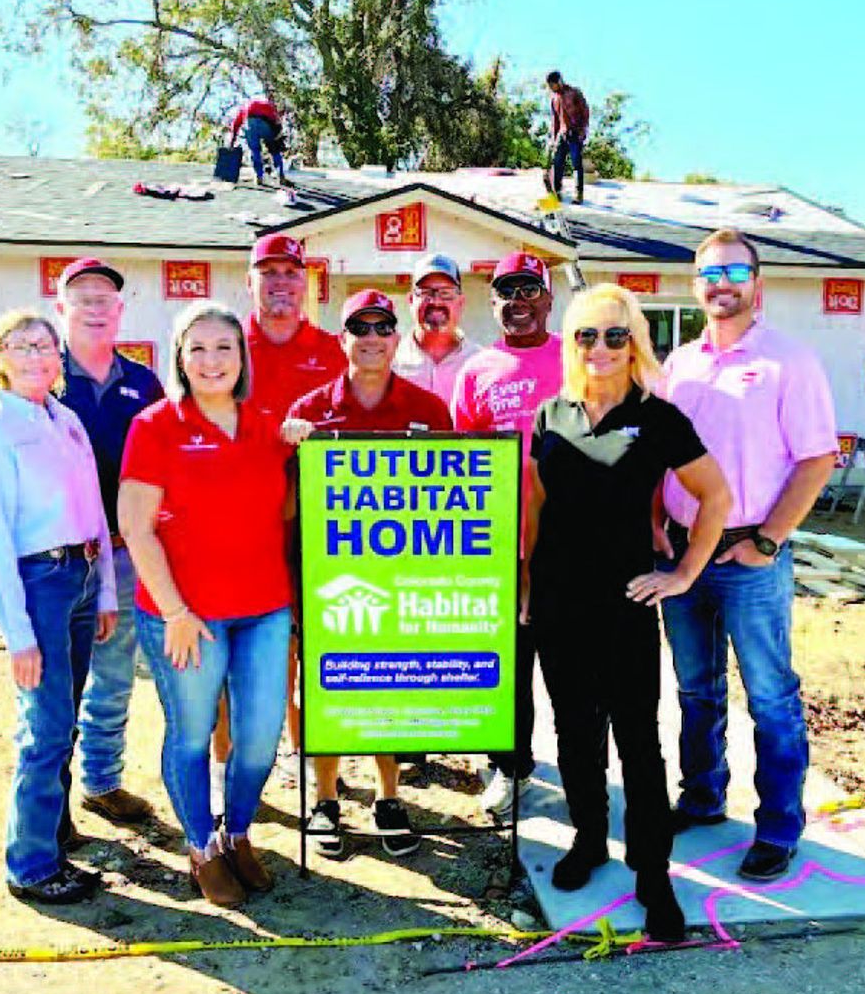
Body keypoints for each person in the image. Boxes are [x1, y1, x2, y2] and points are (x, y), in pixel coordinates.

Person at [525, 284, 731, 941]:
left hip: (627, 601)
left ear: (635, 342)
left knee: (638, 740)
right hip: (559, 599)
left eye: (616, 335)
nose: (602, 347)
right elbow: (535, 509)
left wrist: (682, 574)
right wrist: (527, 584)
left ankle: (652, 870)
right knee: (573, 731)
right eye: (588, 334)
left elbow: (716, 496)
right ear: (573, 343)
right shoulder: (549, 415)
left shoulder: (658, 415)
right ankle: (588, 840)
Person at [0, 257, 163, 840]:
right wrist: (6, 513)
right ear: (61, 309)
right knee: (48, 705)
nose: (94, 305)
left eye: (104, 297)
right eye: (80, 296)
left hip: (115, 556)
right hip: (51, 567)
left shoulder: (140, 381)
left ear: (120, 310)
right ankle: (42, 834)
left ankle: (101, 782)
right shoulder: (25, 384)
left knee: (110, 681)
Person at [655, 227, 838, 882]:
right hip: (684, 557)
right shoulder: (681, 364)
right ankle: (703, 798)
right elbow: (662, 454)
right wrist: (657, 522)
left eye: (735, 271)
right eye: (709, 273)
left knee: (769, 697)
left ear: (757, 285)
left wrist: (768, 541)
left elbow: (818, 458)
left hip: (749, 555)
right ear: (696, 286)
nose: (721, 283)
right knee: (695, 689)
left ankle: (780, 827)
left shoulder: (790, 361)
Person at [118, 302, 300, 907]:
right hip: (187, 616)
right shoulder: (155, 426)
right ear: (179, 357)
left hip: (265, 609)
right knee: (193, 735)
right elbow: (136, 528)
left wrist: (305, 443)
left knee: (258, 737)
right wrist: (175, 611)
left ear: (243, 357)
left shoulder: (268, 426)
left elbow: (293, 508)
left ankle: (237, 830)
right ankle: (200, 848)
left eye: (225, 347)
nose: (212, 360)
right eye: (198, 348)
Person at [0, 309, 118, 904]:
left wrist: (102, 591)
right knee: (44, 729)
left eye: (44, 345)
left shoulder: (66, 419)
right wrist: (16, 633)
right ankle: (30, 865)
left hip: (78, 573)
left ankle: (55, 833)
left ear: (59, 357)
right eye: (20, 346)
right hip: (38, 583)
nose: (34, 356)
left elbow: (95, 510)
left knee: (65, 717)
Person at [288, 289, 453, 859]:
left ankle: (388, 796)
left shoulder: (429, 410)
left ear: (396, 337)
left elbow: (453, 498)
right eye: (361, 327)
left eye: (384, 326)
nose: (373, 337)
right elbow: (287, 502)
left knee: (390, 685)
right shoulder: (309, 412)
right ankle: (325, 799)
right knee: (325, 688)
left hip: (401, 576)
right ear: (343, 339)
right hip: (327, 576)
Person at [206, 234, 347, 807]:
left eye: (292, 272)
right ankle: (224, 769)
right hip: (240, 521)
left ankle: (313, 775)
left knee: (314, 653)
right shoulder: (226, 344)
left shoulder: (335, 347)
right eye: (269, 273)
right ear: (250, 282)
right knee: (229, 652)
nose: (282, 283)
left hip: (317, 523)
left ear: (307, 282)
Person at [451, 251, 562, 818]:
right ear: (491, 303)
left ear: (547, 298)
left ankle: (584, 771)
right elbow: (457, 464)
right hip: (494, 543)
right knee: (505, 663)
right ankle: (511, 764)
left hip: (566, 543)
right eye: (505, 292)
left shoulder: (579, 359)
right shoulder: (476, 370)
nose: (518, 302)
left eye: (529, 290)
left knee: (569, 665)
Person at [393, 252, 481, 406]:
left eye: (445, 293)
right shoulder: (390, 361)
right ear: (411, 300)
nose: (435, 301)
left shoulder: (480, 363)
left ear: (461, 302)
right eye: (426, 293)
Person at [545, 70, 589, 204]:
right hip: (562, 135)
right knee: (557, 163)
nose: (552, 88)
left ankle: (578, 194)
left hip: (575, 132)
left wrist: (583, 130)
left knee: (576, 163)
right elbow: (555, 121)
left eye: (553, 84)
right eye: (550, 86)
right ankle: (556, 192)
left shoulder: (574, 93)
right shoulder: (554, 99)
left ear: (559, 81)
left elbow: (585, 111)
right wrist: (553, 139)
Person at [228, 97, 286, 186]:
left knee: (255, 150)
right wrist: (276, 140)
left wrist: (232, 141)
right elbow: (277, 123)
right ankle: (281, 175)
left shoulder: (245, 106)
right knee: (274, 150)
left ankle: (259, 176)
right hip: (265, 123)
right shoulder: (268, 105)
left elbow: (236, 124)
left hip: (250, 121)